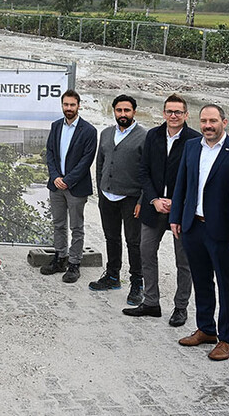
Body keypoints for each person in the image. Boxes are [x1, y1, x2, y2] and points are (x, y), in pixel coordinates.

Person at [170, 104, 229, 362]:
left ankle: (227, 339)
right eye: (204, 121)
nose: (208, 126)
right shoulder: (192, 146)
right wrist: (176, 217)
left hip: (223, 231)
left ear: (225, 122)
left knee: (227, 284)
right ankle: (206, 329)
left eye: (213, 120)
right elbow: (181, 184)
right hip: (193, 226)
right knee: (201, 280)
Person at [125, 94, 200, 326]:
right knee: (146, 252)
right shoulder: (153, 136)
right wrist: (154, 199)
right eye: (169, 111)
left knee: (183, 261)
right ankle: (151, 302)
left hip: (181, 210)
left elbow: (195, 179)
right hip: (154, 206)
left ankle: (180, 307)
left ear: (186, 114)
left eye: (178, 112)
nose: (173, 116)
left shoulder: (194, 140)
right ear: (163, 113)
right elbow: (143, 171)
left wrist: (176, 203)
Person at [89, 94, 147, 305]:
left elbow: (148, 172)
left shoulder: (144, 136)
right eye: (119, 110)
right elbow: (100, 162)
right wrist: (101, 187)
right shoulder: (106, 133)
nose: (123, 114)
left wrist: (142, 199)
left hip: (131, 197)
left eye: (127, 110)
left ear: (134, 112)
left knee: (134, 241)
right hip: (107, 195)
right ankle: (112, 276)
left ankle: (137, 283)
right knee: (111, 237)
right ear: (114, 111)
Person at [41, 89, 97, 283]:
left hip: (76, 187)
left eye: (72, 105)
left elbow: (86, 160)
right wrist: (56, 176)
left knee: (76, 226)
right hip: (56, 185)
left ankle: (74, 263)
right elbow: (49, 153)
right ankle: (60, 258)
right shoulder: (56, 126)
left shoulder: (89, 131)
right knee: (58, 224)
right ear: (62, 105)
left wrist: (68, 180)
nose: (69, 108)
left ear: (79, 106)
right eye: (66, 105)